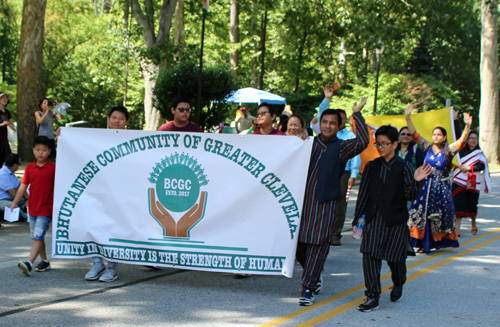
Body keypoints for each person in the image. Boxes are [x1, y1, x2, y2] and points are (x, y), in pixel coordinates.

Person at [296, 96, 369, 306]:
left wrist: (357, 114)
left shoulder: (342, 147)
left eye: (332, 123)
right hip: (302, 202)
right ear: (319, 124)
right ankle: (315, 273)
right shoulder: (307, 143)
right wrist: (298, 134)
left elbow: (363, 142)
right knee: (299, 243)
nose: (328, 126)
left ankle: (307, 287)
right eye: (324, 122)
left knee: (318, 244)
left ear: (339, 127)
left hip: (325, 204)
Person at [353, 125, 432, 312]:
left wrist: (417, 180)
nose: (380, 147)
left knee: (396, 259)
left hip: (395, 220)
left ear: (394, 144)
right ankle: (372, 295)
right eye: (377, 144)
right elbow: (363, 195)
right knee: (370, 255)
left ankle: (398, 282)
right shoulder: (372, 166)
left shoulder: (403, 166)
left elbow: (410, 195)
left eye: (384, 144)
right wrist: (359, 220)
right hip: (373, 219)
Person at [405, 104, 472, 253]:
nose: (435, 137)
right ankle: (423, 244)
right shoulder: (427, 147)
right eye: (434, 134)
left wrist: (467, 126)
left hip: (441, 189)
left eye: (439, 135)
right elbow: (414, 134)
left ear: (444, 137)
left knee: (440, 216)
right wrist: (408, 117)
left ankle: (437, 241)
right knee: (422, 214)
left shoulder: (450, 150)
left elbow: (462, 140)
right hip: (425, 187)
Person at [310, 85, 361, 246]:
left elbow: (356, 154)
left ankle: (335, 234)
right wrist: (327, 98)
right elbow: (321, 116)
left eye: (336, 121)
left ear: (342, 122)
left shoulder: (348, 136)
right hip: (323, 172)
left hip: (343, 174)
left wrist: (353, 174)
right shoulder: (322, 134)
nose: (328, 125)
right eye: (326, 122)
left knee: (339, 204)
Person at [11, 136, 55, 276]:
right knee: (38, 236)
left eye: (44, 150)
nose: (40, 152)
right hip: (33, 209)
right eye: (38, 150)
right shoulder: (29, 167)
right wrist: (15, 203)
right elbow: (23, 187)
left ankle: (29, 263)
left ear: (49, 151)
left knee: (37, 235)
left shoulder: (54, 168)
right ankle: (44, 261)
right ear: (33, 151)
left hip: (46, 209)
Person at [452, 131, 491, 236]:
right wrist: (455, 120)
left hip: (473, 181)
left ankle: (473, 221)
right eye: (470, 138)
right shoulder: (461, 150)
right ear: (467, 139)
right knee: (458, 204)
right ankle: (457, 229)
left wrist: (469, 168)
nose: (473, 140)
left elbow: (482, 166)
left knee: (472, 204)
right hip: (459, 180)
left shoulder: (480, 153)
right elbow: (456, 132)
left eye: (475, 138)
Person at [0, 154, 28, 221]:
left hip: (13, 199)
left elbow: (22, 187)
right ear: (15, 165)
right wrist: (19, 190)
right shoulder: (3, 174)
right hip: (2, 200)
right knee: (13, 206)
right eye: (19, 164)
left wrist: (27, 199)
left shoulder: (12, 174)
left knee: (32, 202)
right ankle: (26, 217)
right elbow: (13, 193)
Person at [0, 91, 16, 167]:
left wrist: (12, 127)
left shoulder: (7, 112)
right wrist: (3, 124)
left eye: (6, 98)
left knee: (8, 158)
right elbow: (5, 123)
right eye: (2, 98)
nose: (4, 99)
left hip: (4, 138)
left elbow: (11, 123)